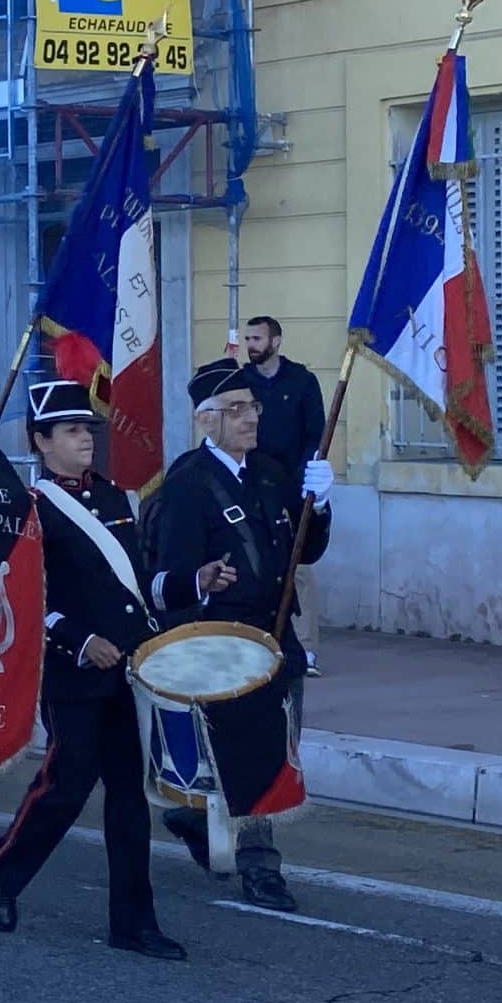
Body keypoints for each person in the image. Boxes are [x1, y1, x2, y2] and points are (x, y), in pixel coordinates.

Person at [0, 379, 183, 959]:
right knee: (66, 785)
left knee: (128, 795)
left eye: (87, 429)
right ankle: (2, 868)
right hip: (72, 670)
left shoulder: (119, 500)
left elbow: (139, 587)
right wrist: (79, 638)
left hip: (126, 667)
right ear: (41, 441)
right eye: (70, 431)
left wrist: (192, 587)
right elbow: (19, 597)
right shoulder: (29, 509)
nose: (85, 440)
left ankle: (133, 922)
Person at [148, 354, 334, 913]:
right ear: (207, 421)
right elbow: (163, 575)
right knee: (254, 753)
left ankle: (196, 816)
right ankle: (260, 866)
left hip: (278, 638)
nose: (250, 417)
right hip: (223, 640)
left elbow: (308, 550)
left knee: (279, 748)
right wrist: (200, 581)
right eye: (235, 409)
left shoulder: (272, 473)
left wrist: (320, 506)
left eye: (252, 406)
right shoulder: (186, 484)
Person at [242, 315, 328, 674]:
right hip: (250, 483)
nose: (251, 345)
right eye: (247, 338)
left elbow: (316, 433)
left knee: (299, 566)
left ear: (275, 342)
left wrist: (308, 481)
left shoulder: (302, 381)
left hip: (291, 486)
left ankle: (306, 649)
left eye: (257, 338)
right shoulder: (241, 382)